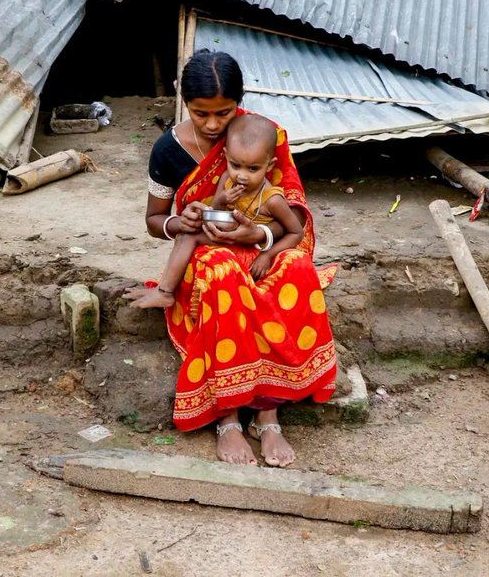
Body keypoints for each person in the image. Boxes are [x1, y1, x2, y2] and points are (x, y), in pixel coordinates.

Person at [131, 50, 337, 467]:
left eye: (223, 113)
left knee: (296, 269)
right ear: (183, 101)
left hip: (261, 245)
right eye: (200, 113)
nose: (211, 125)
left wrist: (257, 234)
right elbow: (154, 220)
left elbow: (290, 215)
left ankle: (268, 412)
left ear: (240, 101)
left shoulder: (262, 137)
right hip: (203, 253)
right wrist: (180, 222)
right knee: (224, 279)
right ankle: (227, 417)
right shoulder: (167, 150)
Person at [130, 113, 304, 308]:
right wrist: (220, 201)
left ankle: (166, 291)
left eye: (253, 169)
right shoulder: (226, 180)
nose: (242, 176)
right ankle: (165, 292)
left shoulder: (272, 199)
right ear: (227, 157)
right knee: (186, 236)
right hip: (226, 237)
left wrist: (266, 255)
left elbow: (296, 232)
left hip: (254, 249)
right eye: (236, 165)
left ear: (269, 165)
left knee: (192, 241)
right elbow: (217, 211)